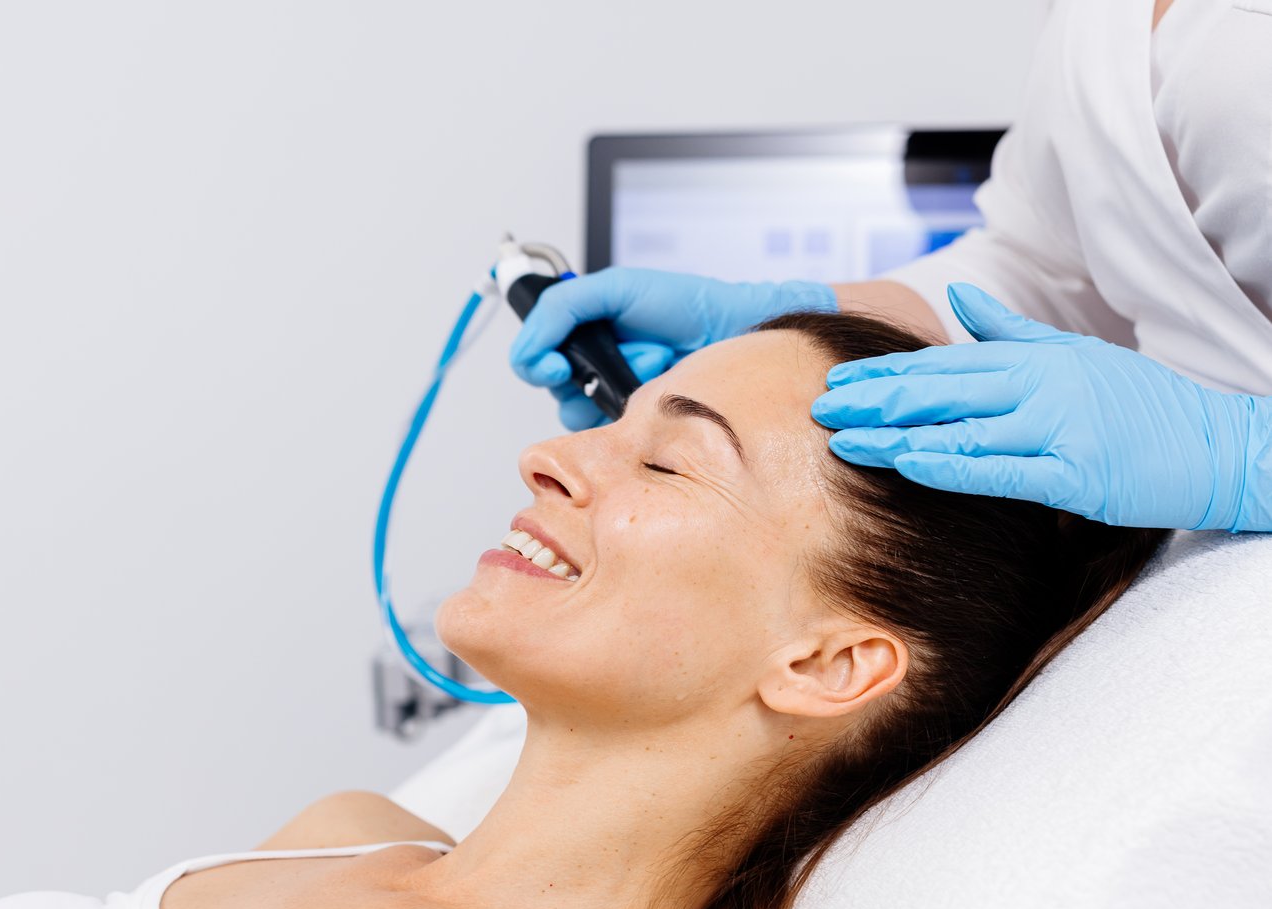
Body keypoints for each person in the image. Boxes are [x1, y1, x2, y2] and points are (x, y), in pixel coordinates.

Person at [0, 313, 1164, 909]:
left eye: (669, 465)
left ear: (824, 663)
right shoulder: (337, 830)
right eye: (609, 423)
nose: (549, 457)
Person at [511, 0, 1271, 536]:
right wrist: (798, 321)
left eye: (671, 467)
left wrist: (1241, 457)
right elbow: (1050, 259)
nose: (540, 465)